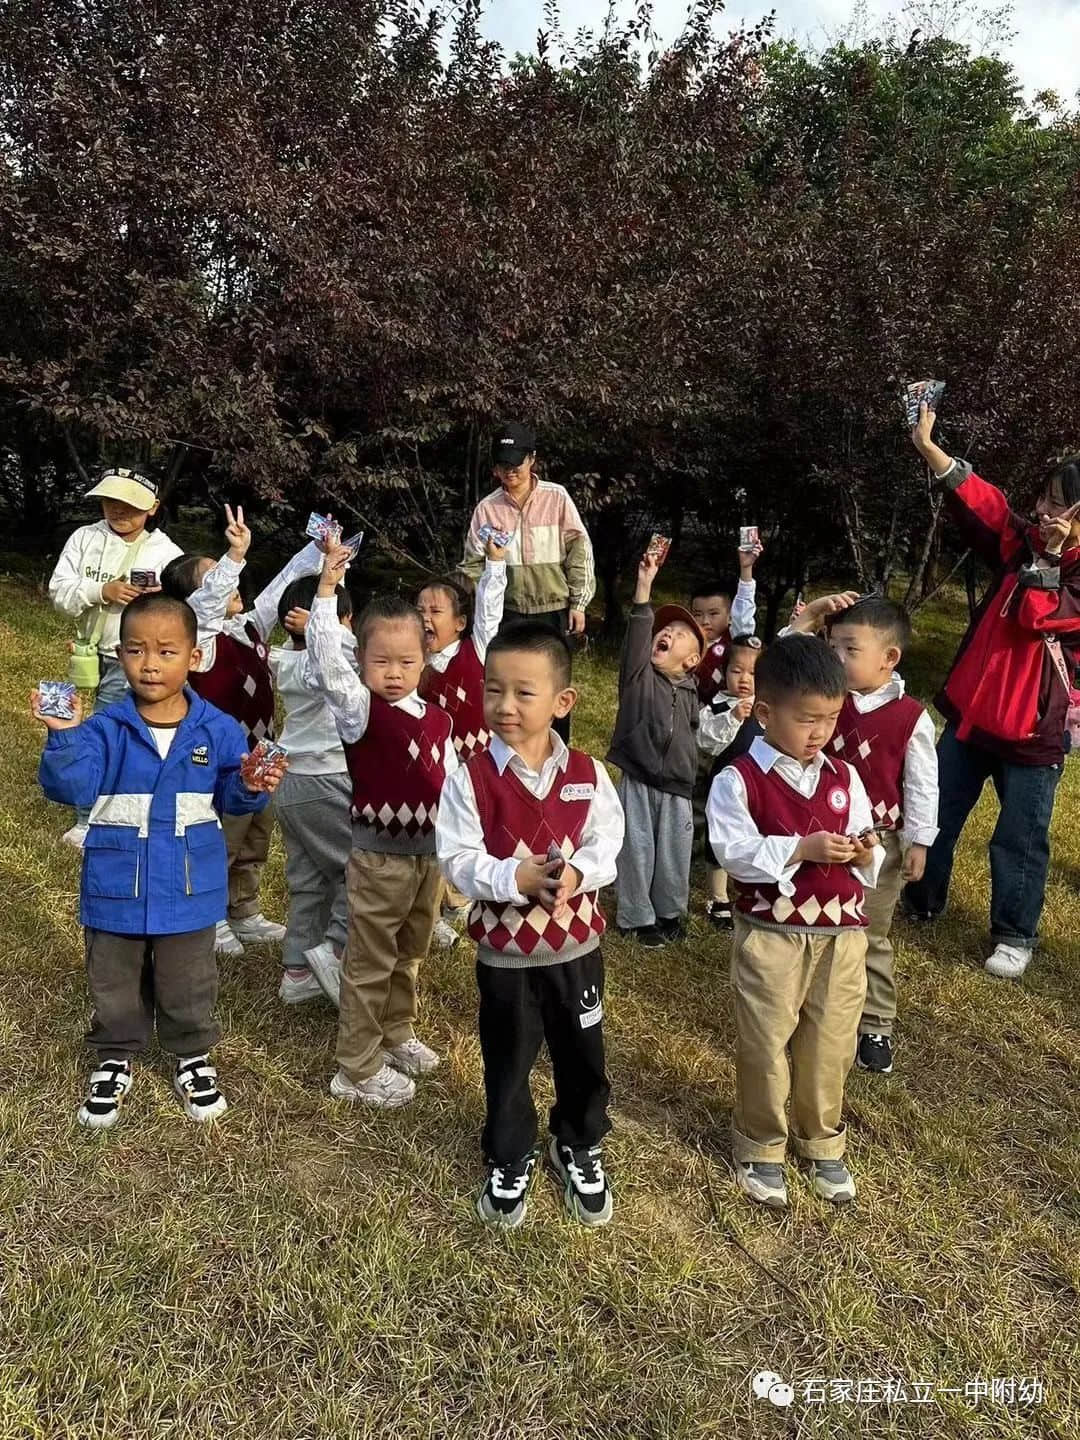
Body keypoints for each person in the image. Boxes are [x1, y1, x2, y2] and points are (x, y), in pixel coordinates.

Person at [31, 593, 284, 1129]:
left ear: (194, 657)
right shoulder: (103, 727)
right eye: (136, 650)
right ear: (119, 654)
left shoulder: (217, 728)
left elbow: (230, 797)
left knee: (188, 979)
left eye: (166, 651)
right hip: (116, 886)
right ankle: (114, 1055)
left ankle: (192, 1054)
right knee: (113, 978)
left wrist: (249, 785)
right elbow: (70, 786)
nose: (150, 663)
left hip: (190, 889)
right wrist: (63, 738)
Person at [436, 622, 624, 1229]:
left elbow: (607, 844)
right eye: (494, 691)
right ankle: (509, 1151)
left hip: (575, 949)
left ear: (562, 702)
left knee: (582, 1053)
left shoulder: (589, 776)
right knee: (509, 1058)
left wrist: (576, 876)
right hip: (506, 957)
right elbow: (457, 858)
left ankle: (577, 1139)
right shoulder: (471, 777)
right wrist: (510, 880)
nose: (505, 706)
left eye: (523, 693)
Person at [904, 402, 1080, 979]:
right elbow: (984, 504)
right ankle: (921, 901)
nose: (1044, 510)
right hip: (974, 716)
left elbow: (1041, 615)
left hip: (1032, 731)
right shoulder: (1022, 539)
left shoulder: (1066, 568)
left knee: (1019, 840)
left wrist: (1050, 556)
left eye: (1060, 502)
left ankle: (1014, 934)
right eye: (1046, 497)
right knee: (936, 813)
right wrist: (930, 447)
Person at [708, 635, 883, 1210]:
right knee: (765, 1039)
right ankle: (760, 1144)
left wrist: (863, 855)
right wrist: (800, 847)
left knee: (831, 1041)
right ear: (764, 713)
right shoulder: (739, 780)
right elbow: (733, 850)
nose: (820, 733)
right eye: (808, 720)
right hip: (773, 934)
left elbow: (866, 842)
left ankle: (821, 1140)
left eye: (830, 719)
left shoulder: (843, 777)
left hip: (842, 935)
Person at [306, 544, 457, 1109]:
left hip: (429, 859)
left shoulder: (439, 719)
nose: (393, 673)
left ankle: (397, 1033)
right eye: (379, 662)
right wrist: (326, 589)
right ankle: (357, 1066)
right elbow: (324, 660)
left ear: (426, 657)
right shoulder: (361, 710)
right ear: (360, 661)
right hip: (379, 859)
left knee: (410, 952)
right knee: (369, 961)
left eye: (406, 661)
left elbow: (454, 789)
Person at [161, 505, 323, 958]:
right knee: (220, 840)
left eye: (226, 573)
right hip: (220, 761)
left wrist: (319, 550)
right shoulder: (203, 639)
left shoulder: (249, 626)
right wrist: (233, 556)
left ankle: (244, 910)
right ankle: (208, 917)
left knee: (255, 837)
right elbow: (206, 605)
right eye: (212, 575)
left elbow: (278, 588)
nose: (228, 580)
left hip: (262, 755)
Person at [814, 596, 939, 1076]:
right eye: (833, 646)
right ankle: (822, 1011)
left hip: (879, 843)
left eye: (850, 649)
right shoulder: (827, 699)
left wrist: (919, 840)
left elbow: (922, 783)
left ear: (889, 659)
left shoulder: (910, 716)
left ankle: (876, 1023)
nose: (837, 659)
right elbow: (783, 679)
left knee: (871, 932)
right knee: (824, 922)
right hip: (823, 833)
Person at [47, 465, 183, 848]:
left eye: (131, 505)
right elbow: (60, 592)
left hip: (132, 661)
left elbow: (182, 609)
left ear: (153, 507)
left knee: (105, 729)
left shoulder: (166, 552)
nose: (119, 511)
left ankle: (90, 816)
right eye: (111, 501)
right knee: (73, 722)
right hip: (87, 651)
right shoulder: (84, 538)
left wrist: (158, 597)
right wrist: (101, 591)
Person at [459, 422, 595, 740]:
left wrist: (580, 602)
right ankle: (511, 744)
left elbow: (580, 551)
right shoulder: (487, 509)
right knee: (511, 681)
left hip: (553, 608)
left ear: (532, 459)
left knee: (551, 682)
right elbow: (471, 567)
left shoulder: (557, 498)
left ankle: (556, 746)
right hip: (508, 613)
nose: (510, 472)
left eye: (516, 463)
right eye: (502, 464)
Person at [606, 546, 704, 946]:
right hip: (639, 778)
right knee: (637, 850)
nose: (666, 633)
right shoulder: (639, 680)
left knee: (674, 856)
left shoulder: (694, 693)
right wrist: (644, 587)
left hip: (678, 787)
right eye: (663, 631)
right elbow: (638, 636)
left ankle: (668, 913)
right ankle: (635, 917)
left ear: (693, 659)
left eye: (678, 634)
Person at [269, 576, 356, 1008]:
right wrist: (330, 624)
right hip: (326, 779)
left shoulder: (284, 659)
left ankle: (297, 972)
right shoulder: (326, 661)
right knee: (359, 868)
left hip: (290, 782)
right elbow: (360, 654)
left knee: (308, 880)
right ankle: (334, 950)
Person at [697, 634, 765, 928]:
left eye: (753, 672)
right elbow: (707, 741)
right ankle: (718, 895)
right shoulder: (716, 706)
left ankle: (752, 889)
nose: (745, 679)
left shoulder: (768, 706)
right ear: (724, 672)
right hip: (725, 784)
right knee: (722, 836)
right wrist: (734, 717)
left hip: (760, 786)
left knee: (758, 833)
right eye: (737, 671)